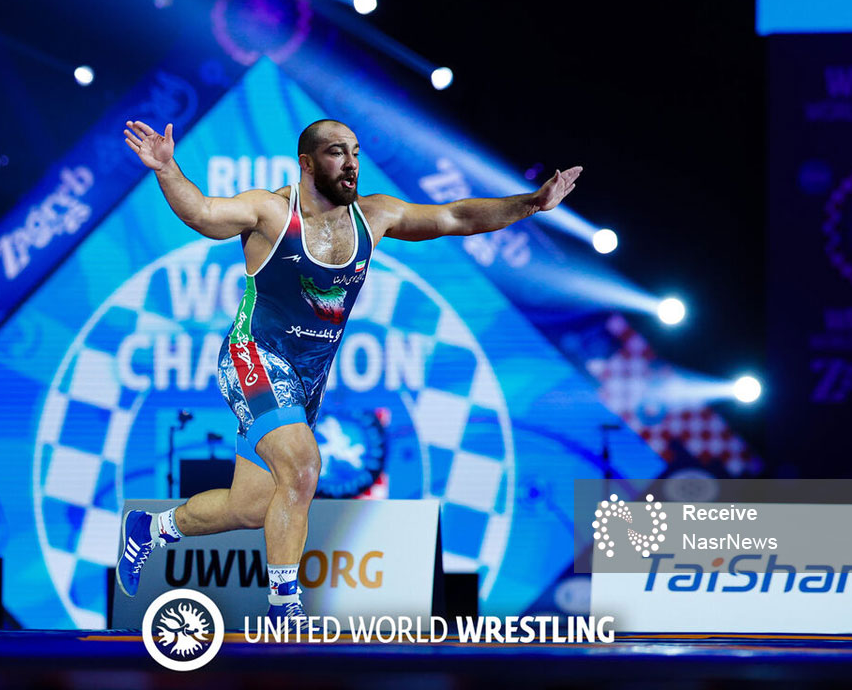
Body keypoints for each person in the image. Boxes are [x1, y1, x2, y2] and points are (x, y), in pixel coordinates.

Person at [116, 118, 580, 622]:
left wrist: (532, 203)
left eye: (355, 151)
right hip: (253, 357)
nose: (352, 163)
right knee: (303, 469)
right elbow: (203, 212)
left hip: (306, 380)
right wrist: (167, 169)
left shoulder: (374, 216)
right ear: (307, 163)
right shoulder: (272, 212)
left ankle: (150, 528)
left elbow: (456, 216)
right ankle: (284, 611)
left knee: (250, 508)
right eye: (337, 152)